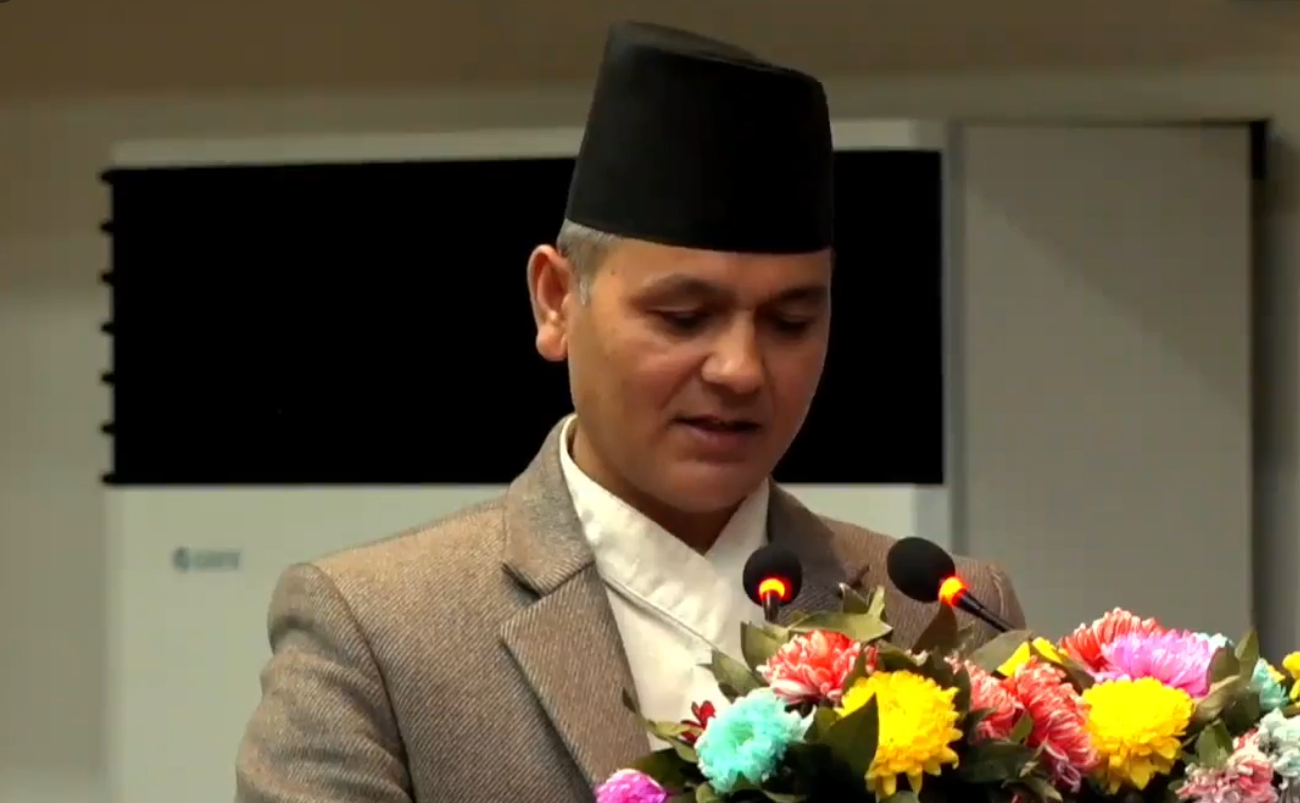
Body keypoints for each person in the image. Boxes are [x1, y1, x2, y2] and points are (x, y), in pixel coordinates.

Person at [235, 20, 1025, 803]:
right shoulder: (380, 631)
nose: (740, 369)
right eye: (683, 317)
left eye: (789, 322)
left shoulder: (940, 611)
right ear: (555, 300)